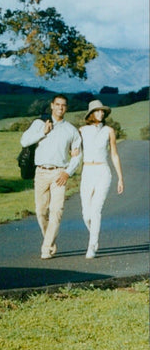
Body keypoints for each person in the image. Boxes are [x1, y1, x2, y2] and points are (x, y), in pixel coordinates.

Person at [20, 94, 81, 259]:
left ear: (66, 108)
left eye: (64, 105)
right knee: (40, 211)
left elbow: (77, 155)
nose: (60, 108)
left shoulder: (71, 130)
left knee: (57, 210)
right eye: (58, 104)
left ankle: (46, 248)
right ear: (52, 106)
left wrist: (68, 172)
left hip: (59, 173)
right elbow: (24, 141)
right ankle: (50, 239)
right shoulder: (39, 123)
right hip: (40, 172)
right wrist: (42, 132)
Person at [78, 99, 124, 259]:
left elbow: (114, 154)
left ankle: (92, 246)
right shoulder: (82, 130)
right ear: (91, 114)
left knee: (96, 210)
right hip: (87, 171)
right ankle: (94, 236)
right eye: (98, 111)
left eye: (102, 111)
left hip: (103, 171)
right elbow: (75, 151)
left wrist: (120, 178)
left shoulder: (109, 131)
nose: (101, 113)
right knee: (86, 214)